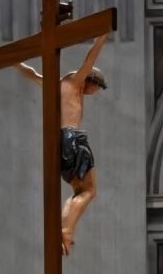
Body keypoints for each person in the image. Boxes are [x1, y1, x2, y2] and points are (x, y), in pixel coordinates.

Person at [14, 33, 109, 256]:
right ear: (91, 81)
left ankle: (63, 229)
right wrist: (102, 37)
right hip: (72, 139)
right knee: (89, 190)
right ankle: (66, 228)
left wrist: (15, 62)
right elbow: (90, 59)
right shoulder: (77, 81)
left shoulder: (55, 85)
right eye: (96, 88)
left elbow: (31, 73)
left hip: (56, 142)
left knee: (78, 191)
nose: (93, 93)